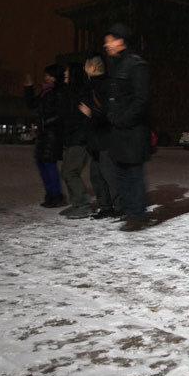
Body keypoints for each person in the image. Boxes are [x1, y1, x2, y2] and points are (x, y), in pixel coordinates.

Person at [103, 23, 152, 232]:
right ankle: (130, 211)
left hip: (132, 130)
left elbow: (142, 100)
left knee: (133, 172)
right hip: (119, 129)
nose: (106, 45)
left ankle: (138, 214)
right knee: (121, 172)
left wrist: (124, 119)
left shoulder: (136, 65)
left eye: (109, 41)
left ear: (121, 40)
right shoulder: (117, 64)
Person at [79, 54, 122, 219]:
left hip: (107, 139)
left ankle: (119, 207)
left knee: (109, 174)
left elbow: (111, 112)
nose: (84, 68)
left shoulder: (106, 85)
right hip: (96, 140)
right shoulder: (91, 86)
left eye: (86, 65)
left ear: (94, 68)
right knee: (96, 176)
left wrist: (91, 113)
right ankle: (106, 207)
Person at [24, 64, 65, 208]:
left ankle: (56, 195)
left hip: (52, 134)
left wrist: (45, 123)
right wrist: (28, 88)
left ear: (55, 77)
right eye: (45, 74)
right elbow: (31, 104)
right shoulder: (45, 92)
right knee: (41, 163)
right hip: (44, 133)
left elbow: (60, 115)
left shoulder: (57, 92)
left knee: (49, 163)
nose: (45, 77)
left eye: (49, 75)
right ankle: (50, 194)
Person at [58, 63, 92, 219]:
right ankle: (77, 203)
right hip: (72, 139)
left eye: (67, 71)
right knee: (66, 172)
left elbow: (83, 119)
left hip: (80, 140)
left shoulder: (81, 93)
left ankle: (84, 204)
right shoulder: (70, 92)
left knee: (70, 172)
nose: (64, 73)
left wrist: (79, 138)